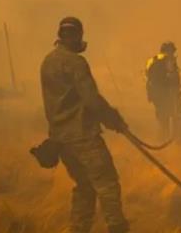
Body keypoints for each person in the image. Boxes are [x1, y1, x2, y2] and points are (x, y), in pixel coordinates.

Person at [40, 16, 130, 233]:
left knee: (85, 187)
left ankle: (78, 229)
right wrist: (114, 120)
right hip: (83, 137)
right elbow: (91, 100)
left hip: (61, 140)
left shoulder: (48, 61)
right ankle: (117, 229)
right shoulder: (75, 62)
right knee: (107, 184)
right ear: (76, 36)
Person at [145, 41, 181, 140]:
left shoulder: (152, 60)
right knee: (179, 116)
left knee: (163, 119)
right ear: (169, 50)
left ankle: (163, 139)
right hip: (168, 94)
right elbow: (173, 77)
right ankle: (177, 141)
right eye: (172, 51)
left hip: (156, 95)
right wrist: (175, 90)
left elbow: (147, 77)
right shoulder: (168, 60)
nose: (173, 53)